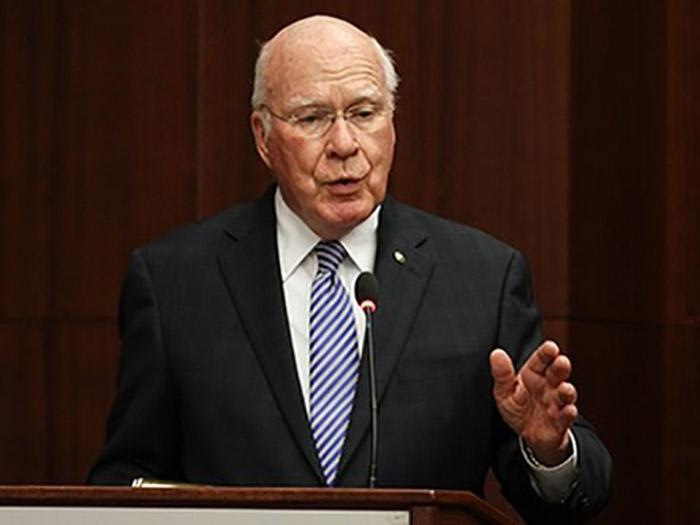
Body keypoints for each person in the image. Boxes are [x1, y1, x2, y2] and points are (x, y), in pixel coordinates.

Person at [89, 15, 612, 522]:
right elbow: (126, 479)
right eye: (312, 118)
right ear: (264, 137)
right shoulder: (175, 282)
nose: (344, 145)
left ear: (392, 124)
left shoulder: (483, 278)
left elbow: (572, 496)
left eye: (364, 113)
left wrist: (546, 451)